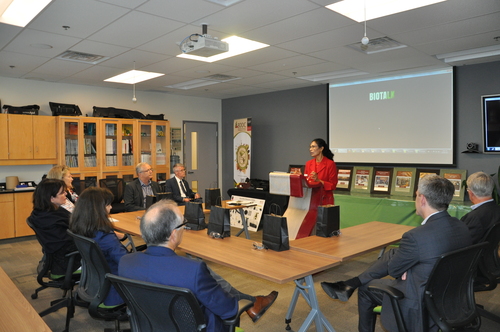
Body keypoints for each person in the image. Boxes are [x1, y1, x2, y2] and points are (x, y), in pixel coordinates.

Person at [321, 174, 472, 332]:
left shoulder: (416, 236)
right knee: (395, 253)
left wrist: (408, 268)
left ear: (422, 199)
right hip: (449, 293)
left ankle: (353, 284)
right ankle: (349, 284)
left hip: (419, 298)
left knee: (366, 289)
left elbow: (393, 270)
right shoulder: (461, 226)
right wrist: (409, 265)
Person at [119, 200, 278, 332]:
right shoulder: (193, 270)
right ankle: (254, 302)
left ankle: (254, 302)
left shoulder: (126, 262)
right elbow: (228, 310)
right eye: (183, 225)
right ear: (174, 234)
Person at [69, 187, 127, 307]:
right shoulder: (104, 236)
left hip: (95, 286)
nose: (111, 207)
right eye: (108, 205)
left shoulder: (80, 226)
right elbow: (124, 261)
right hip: (113, 290)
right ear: (98, 209)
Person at [29, 179, 81, 276]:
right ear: (51, 198)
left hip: (59, 259)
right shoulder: (52, 219)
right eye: (62, 193)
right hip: (67, 263)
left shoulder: (43, 213)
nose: (66, 194)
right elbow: (69, 241)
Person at [296, 138, 338, 238]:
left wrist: (319, 180)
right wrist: (299, 177)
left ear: (321, 148)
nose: (311, 149)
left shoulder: (330, 164)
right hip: (311, 199)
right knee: (311, 229)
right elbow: (308, 181)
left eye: (313, 146)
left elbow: (333, 185)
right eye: (310, 147)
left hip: (325, 200)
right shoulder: (308, 163)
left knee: (323, 230)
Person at [461, 171, 500, 243]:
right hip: (491, 253)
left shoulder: (473, 218)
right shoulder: (497, 210)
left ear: (470, 193)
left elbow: (462, 244)